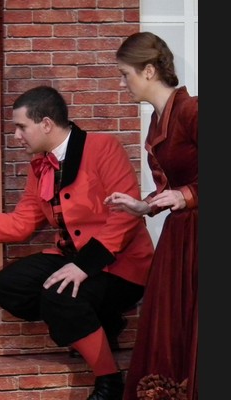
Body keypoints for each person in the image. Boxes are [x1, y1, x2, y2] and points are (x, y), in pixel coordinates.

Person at [0, 85, 155, 400]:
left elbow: (125, 217)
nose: (16, 135)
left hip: (119, 267)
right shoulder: (41, 166)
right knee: (7, 286)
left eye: (21, 127)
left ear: (46, 124)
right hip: (72, 257)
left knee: (58, 295)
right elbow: (22, 223)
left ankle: (109, 380)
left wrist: (83, 267)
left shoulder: (103, 147)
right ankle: (97, 321)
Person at [104, 32, 198, 400]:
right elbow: (171, 187)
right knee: (172, 326)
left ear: (148, 70)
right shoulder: (158, 121)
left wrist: (187, 196)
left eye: (124, 75)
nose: (122, 83)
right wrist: (146, 206)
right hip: (180, 236)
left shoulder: (192, 110)